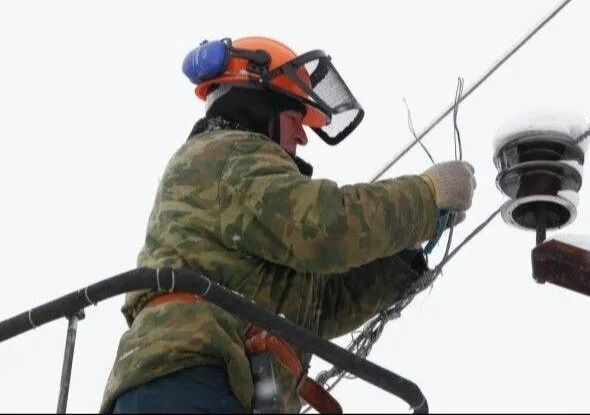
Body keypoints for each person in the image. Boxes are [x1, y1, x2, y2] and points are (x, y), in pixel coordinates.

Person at [100, 36, 477, 414]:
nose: (301, 136)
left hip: (218, 386)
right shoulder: (227, 154)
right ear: (258, 108)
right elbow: (325, 227)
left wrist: (401, 258)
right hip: (192, 381)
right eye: (295, 120)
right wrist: (426, 197)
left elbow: (320, 307)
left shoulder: (252, 205)